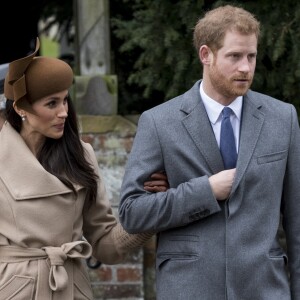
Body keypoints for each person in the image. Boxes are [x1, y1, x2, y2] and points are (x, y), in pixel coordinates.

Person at [119, 4, 300, 300]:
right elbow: (131, 213)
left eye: (251, 56)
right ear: (206, 54)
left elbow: (297, 222)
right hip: (188, 289)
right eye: (234, 56)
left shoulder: (283, 118)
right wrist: (205, 191)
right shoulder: (159, 122)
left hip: (264, 289)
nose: (246, 67)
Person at [0, 37, 169, 299]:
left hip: (71, 287)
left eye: (65, 101)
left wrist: (152, 210)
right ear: (21, 108)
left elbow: (105, 245)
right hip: (13, 288)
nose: (64, 112)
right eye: (51, 103)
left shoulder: (81, 155)